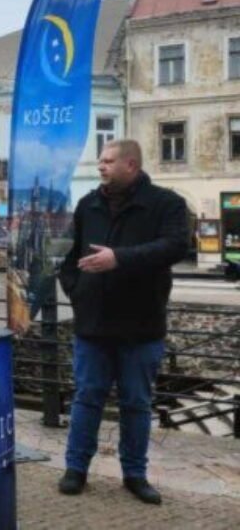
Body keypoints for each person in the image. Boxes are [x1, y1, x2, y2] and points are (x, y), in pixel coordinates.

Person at [57, 139, 188, 505]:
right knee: (87, 398)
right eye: (99, 160)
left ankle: (135, 474)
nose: (100, 166)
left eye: (108, 161)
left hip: (141, 324)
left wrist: (121, 259)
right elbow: (69, 255)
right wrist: (77, 291)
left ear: (131, 165)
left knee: (136, 403)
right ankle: (75, 469)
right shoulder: (88, 205)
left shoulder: (166, 203)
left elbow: (177, 246)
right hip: (93, 324)